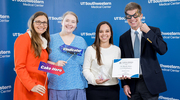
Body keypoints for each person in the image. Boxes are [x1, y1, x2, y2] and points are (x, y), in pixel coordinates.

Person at [119, 2, 168, 100]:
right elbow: (122, 60)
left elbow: (163, 50)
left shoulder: (153, 31)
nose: (132, 19)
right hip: (132, 85)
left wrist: (148, 32)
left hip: (150, 83)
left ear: (141, 16)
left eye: (135, 15)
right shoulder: (123, 37)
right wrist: (124, 84)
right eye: (129, 16)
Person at [47, 11, 87, 100]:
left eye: (73, 22)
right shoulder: (50, 39)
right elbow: (41, 64)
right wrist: (54, 64)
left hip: (78, 88)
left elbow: (86, 65)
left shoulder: (81, 41)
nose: (70, 24)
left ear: (76, 25)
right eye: (67, 20)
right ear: (62, 22)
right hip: (56, 87)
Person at [14, 11, 50, 100]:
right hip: (27, 87)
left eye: (44, 22)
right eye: (38, 22)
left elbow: (39, 64)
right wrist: (31, 86)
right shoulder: (23, 39)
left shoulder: (43, 41)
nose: (41, 25)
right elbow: (20, 67)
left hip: (41, 86)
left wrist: (55, 66)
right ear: (32, 23)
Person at [83, 21, 121, 100]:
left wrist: (122, 75)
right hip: (94, 90)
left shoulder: (117, 50)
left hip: (113, 90)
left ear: (111, 33)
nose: (104, 34)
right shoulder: (90, 49)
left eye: (107, 31)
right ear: (97, 33)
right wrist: (94, 80)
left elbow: (118, 70)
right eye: (101, 31)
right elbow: (85, 70)